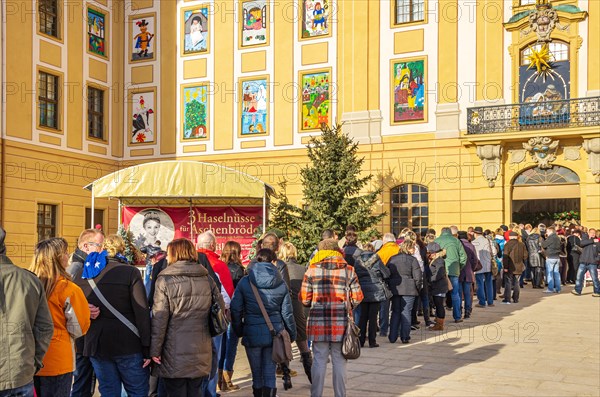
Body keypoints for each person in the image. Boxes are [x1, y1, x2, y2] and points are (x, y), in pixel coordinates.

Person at [73, 234, 151, 397]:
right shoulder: (130, 272)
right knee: (137, 391)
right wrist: (147, 347)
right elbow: (142, 312)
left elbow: (73, 306)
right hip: (128, 343)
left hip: (97, 344)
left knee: (108, 391)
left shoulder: (85, 273)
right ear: (123, 250)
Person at [150, 239, 225, 396]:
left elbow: (159, 319)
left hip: (172, 350)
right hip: (201, 347)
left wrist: (154, 351)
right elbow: (219, 309)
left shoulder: (164, 280)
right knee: (196, 391)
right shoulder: (207, 278)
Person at [29, 238, 91, 397]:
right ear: (57, 258)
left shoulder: (28, 284)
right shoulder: (68, 288)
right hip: (58, 359)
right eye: (64, 252)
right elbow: (80, 327)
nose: (68, 255)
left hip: (28, 357)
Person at [301, 238, 362, 397]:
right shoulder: (349, 270)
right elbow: (357, 297)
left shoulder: (311, 270)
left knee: (319, 360)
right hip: (341, 321)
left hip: (318, 322)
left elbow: (305, 299)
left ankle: (316, 394)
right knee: (340, 361)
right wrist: (347, 306)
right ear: (337, 251)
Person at [231, 249, 296, 397]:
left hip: (252, 332)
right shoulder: (281, 283)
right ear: (274, 262)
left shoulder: (245, 282)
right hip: (274, 333)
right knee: (269, 373)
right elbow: (287, 313)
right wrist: (291, 334)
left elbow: (235, 309)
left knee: (256, 374)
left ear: (257, 261)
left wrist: (239, 329)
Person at [0, 226, 54, 397]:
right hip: (20, 371)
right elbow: (45, 328)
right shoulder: (29, 280)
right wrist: (33, 362)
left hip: (21, 371)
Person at [68, 229, 105, 397]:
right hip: (80, 335)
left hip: (86, 333)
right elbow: (64, 298)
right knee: (82, 380)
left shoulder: (86, 264)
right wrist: (83, 308)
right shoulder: (76, 267)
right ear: (85, 246)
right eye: (99, 245)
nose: (103, 249)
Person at [279, 242, 313, 384]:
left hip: (283, 309)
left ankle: (286, 376)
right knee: (303, 345)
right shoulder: (302, 269)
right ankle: (313, 379)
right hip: (299, 309)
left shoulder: (278, 269)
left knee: (284, 343)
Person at [218, 241, 245, 392]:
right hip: (233, 313)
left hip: (220, 312)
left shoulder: (219, 268)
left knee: (220, 346)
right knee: (231, 346)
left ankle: (217, 380)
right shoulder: (239, 270)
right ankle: (226, 380)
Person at [353, 244, 390, 347]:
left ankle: (360, 341)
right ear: (373, 250)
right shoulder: (377, 260)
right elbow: (386, 273)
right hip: (376, 291)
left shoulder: (357, 261)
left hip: (362, 290)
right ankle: (372, 341)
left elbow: (354, 274)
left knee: (362, 317)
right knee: (373, 317)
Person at [387, 240, 423, 343]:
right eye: (413, 248)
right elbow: (418, 277)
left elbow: (387, 273)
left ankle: (392, 336)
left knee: (395, 311)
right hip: (409, 288)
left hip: (395, 288)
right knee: (407, 312)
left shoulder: (392, 259)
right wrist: (417, 288)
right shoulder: (413, 260)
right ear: (408, 248)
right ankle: (405, 336)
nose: (414, 250)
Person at [435, 227, 467, 323]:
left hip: (440, 271)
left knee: (439, 295)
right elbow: (463, 257)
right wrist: (459, 267)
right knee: (455, 294)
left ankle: (438, 317)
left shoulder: (437, 240)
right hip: (454, 270)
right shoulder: (456, 241)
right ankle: (457, 316)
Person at [376, 233, 399, 337]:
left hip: (385, 282)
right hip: (399, 282)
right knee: (397, 307)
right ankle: (396, 329)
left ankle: (383, 330)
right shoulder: (399, 249)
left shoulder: (381, 252)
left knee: (384, 308)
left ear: (384, 241)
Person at [472, 227, 496, 307]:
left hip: (478, 265)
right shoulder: (489, 241)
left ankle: (482, 302)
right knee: (489, 283)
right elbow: (494, 252)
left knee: (480, 283)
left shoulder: (474, 242)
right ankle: (490, 301)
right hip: (488, 264)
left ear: (475, 234)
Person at [572, 229, 600, 296]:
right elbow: (581, 244)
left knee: (595, 278)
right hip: (583, 262)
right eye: (591, 233)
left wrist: (597, 259)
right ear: (588, 233)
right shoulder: (585, 240)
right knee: (579, 277)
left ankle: (597, 292)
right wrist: (592, 240)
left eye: (594, 233)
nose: (593, 234)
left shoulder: (597, 242)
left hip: (592, 263)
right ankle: (577, 290)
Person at [502, 232, 528, 304]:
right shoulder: (521, 244)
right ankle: (516, 298)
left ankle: (507, 299)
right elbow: (525, 256)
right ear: (517, 237)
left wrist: (505, 266)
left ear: (510, 237)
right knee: (517, 283)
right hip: (519, 266)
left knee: (508, 283)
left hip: (510, 267)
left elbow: (505, 257)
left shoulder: (507, 244)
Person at [426, 242, 448, 330]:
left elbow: (439, 274)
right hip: (437, 286)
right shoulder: (436, 260)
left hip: (439, 286)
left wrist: (430, 280)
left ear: (433, 253)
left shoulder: (439, 261)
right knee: (438, 304)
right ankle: (438, 321)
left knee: (439, 305)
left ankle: (440, 325)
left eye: (429, 253)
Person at [457, 231, 477, 318]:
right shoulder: (471, 246)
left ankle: (459, 310)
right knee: (468, 293)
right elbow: (475, 260)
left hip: (459, 271)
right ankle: (467, 311)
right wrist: (472, 268)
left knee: (458, 293)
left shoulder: (457, 245)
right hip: (468, 272)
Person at [541, 227, 562, 293]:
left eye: (547, 231)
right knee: (556, 273)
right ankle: (558, 289)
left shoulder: (550, 238)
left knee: (550, 273)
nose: (546, 233)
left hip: (550, 257)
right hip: (557, 257)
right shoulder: (558, 238)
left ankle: (550, 288)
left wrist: (543, 239)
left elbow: (544, 245)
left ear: (550, 231)